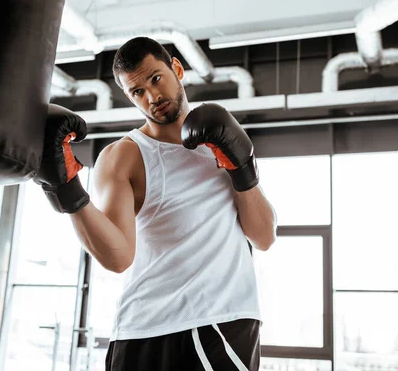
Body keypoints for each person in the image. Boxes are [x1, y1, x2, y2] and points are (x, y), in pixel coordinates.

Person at [34, 37, 277, 371]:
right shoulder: (124, 156)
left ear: (177, 69)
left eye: (156, 79)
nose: (152, 97)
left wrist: (244, 170)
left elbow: (263, 236)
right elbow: (118, 257)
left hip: (221, 321)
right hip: (140, 328)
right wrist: (66, 189)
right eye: (137, 92)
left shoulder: (220, 142)